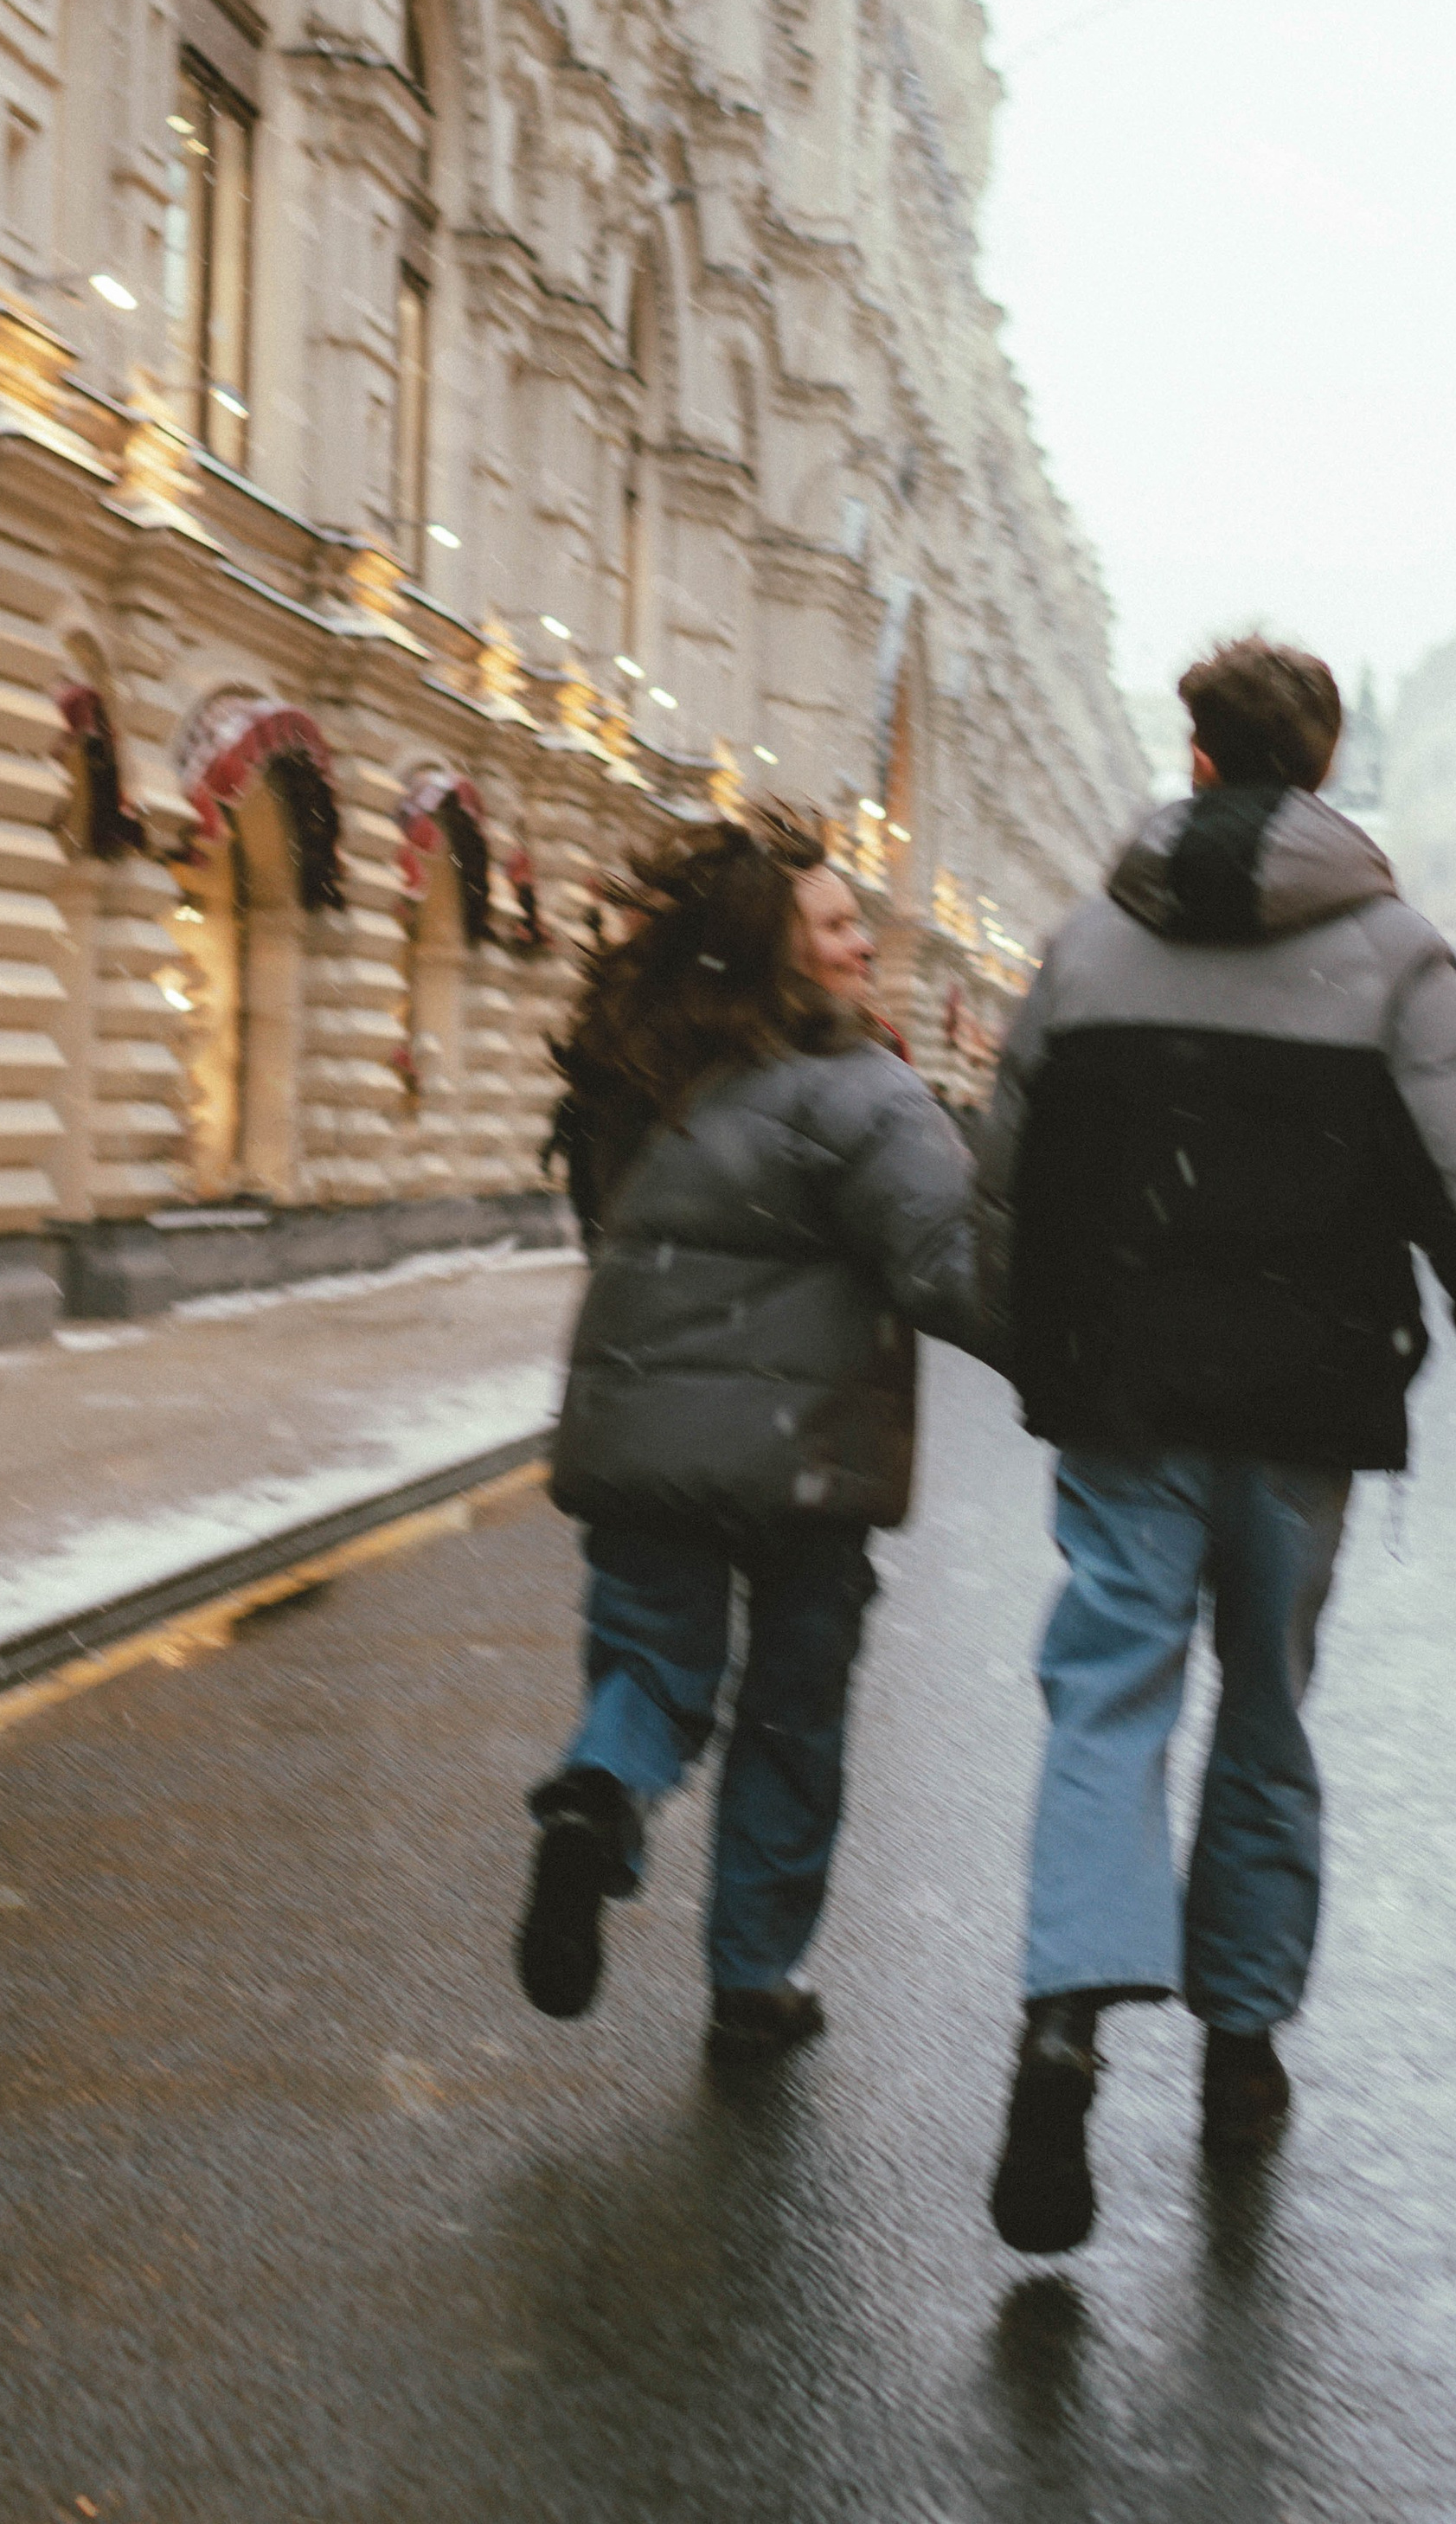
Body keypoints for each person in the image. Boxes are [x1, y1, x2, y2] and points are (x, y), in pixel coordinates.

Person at [976, 635, 1456, 2251]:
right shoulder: (1393, 955)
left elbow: (1005, 1169)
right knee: (1264, 1710)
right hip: (1304, 1400)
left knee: (1102, 1699)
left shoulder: (1092, 944)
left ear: (1193, 761)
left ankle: (1063, 2026)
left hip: (1127, 1396)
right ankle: (1241, 2047)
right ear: (1322, 767)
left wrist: (1025, 1349)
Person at [517, 805, 978, 2058]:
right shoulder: (865, 1091)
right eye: (836, 926)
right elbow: (949, 1267)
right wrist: (1083, 1360)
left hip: (643, 1433)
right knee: (791, 1711)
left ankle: (597, 1802)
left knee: (649, 1669)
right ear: (780, 952)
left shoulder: (635, 1069)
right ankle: (753, 1978)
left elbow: (603, 1221)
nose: (864, 945)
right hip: (807, 1455)